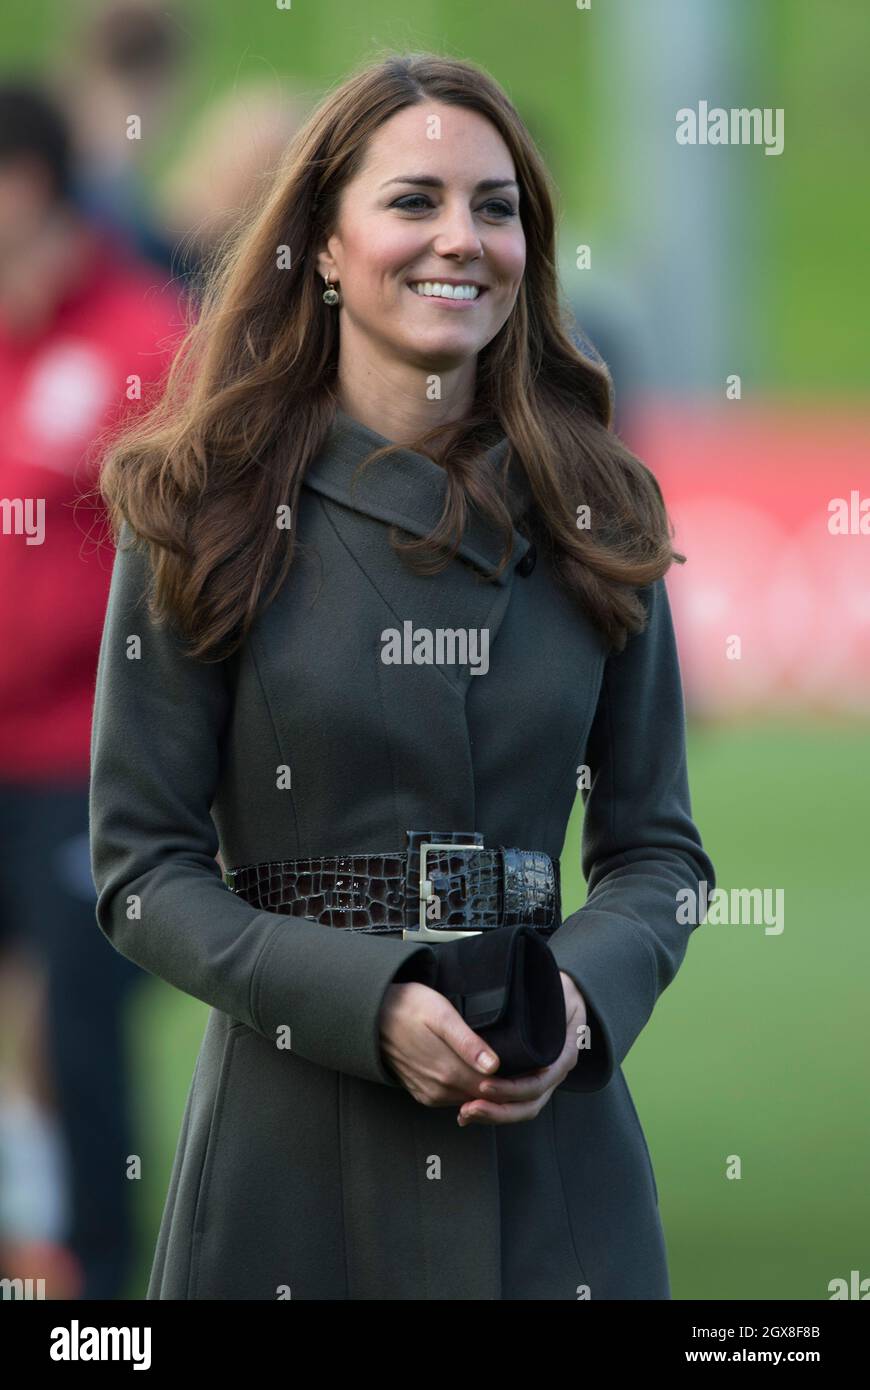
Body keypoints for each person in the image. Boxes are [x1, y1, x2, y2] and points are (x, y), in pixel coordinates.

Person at [89, 51, 716, 1300]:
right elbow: (142, 872)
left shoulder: (603, 507)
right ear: (323, 245)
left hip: (556, 1161)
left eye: (497, 207)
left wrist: (578, 1006)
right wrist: (362, 1002)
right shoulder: (197, 508)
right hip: (285, 1166)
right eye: (413, 201)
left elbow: (662, 858)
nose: (462, 239)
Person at [0, 81, 182, 1298]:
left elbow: (192, 559)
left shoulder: (142, 340)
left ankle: (105, 1297)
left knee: (77, 1032)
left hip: (82, 763)